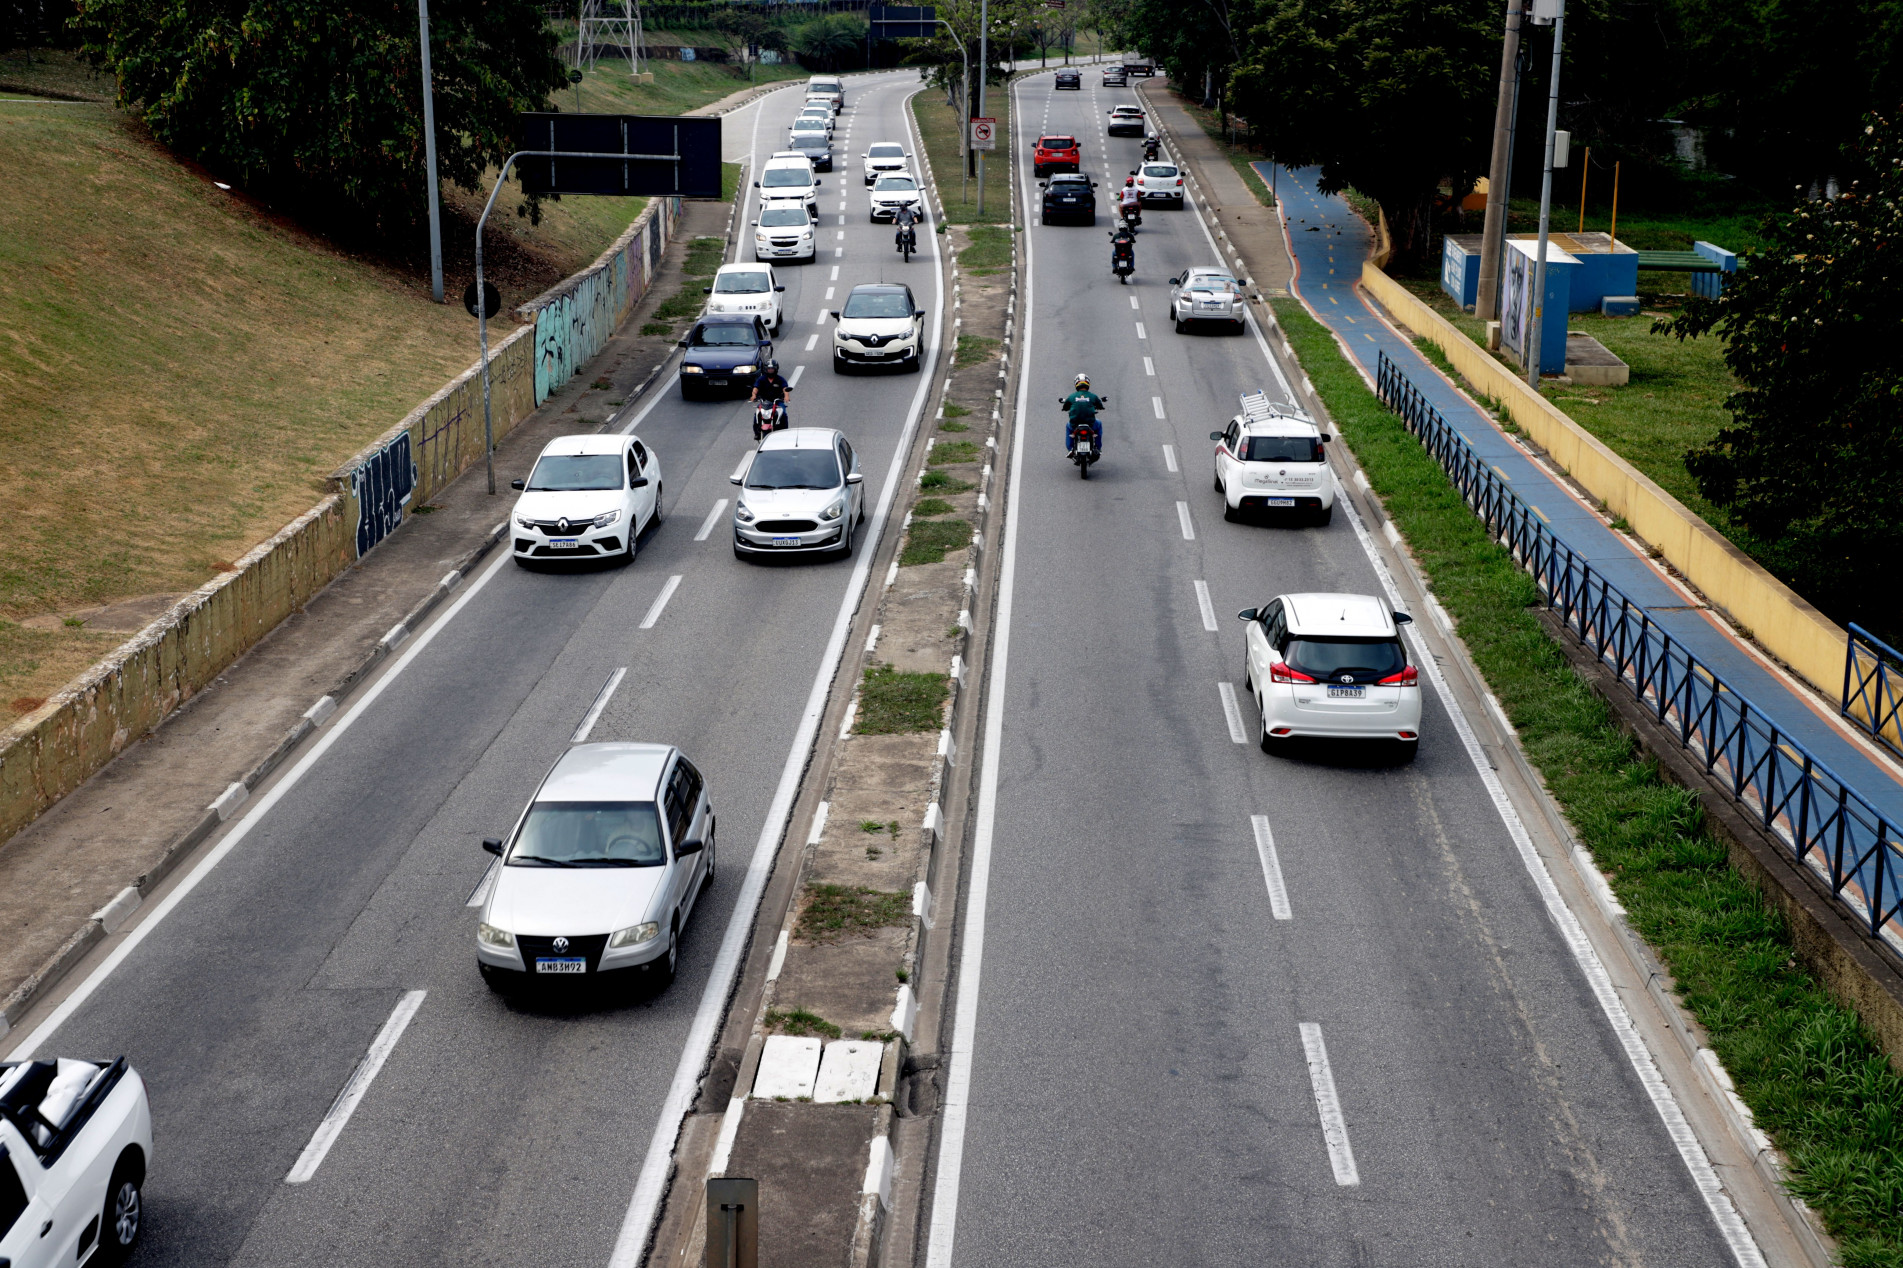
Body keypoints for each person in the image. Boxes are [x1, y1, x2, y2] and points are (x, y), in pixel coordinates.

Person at [1060, 373, 1106, 457]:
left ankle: (1070, 449)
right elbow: (1100, 405)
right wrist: (1101, 407)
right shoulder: (1093, 396)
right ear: (1088, 383)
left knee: (1068, 426)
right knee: (1098, 424)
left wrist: (1065, 408)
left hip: (1075, 424)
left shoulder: (1072, 396)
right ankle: (1098, 448)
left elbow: (1065, 406)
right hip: (1090, 424)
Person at [750, 359, 791, 426]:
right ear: (766, 369)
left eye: (772, 369)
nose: (770, 370)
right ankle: (757, 433)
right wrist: (753, 395)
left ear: (776, 369)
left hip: (777, 402)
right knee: (757, 413)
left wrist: (786, 396)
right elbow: (755, 388)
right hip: (764, 402)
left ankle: (784, 431)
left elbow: (785, 388)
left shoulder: (780, 379)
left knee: (783, 413)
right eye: (769, 369)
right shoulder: (761, 379)